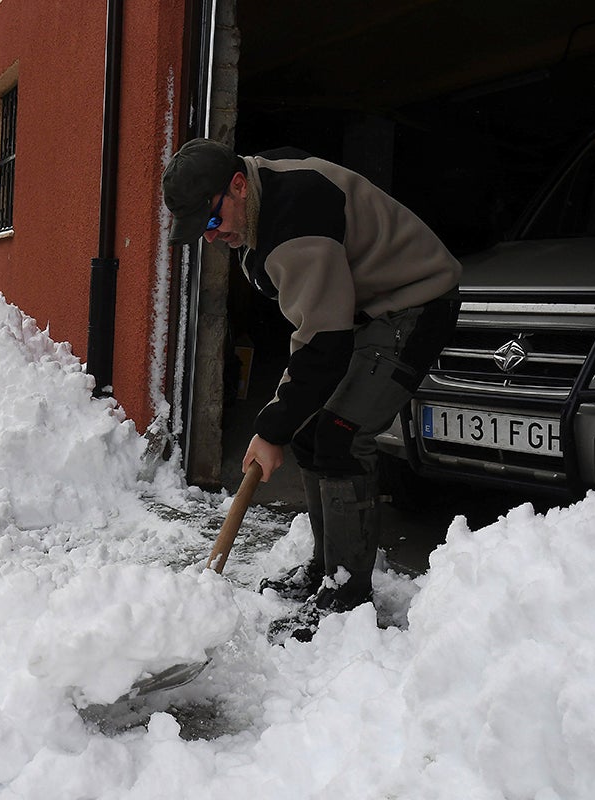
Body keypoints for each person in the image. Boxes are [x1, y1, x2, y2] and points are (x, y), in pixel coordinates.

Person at [162, 138, 461, 626]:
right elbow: (315, 329)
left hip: (415, 303)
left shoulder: (294, 223)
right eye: (202, 231)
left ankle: (347, 594)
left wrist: (270, 428)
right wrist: (284, 421)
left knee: (341, 436)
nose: (212, 237)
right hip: (364, 311)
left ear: (238, 186)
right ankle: (327, 569)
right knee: (308, 428)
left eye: (213, 221)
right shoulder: (259, 200)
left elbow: (325, 343)